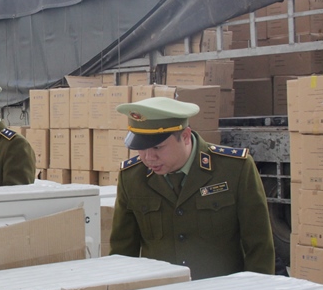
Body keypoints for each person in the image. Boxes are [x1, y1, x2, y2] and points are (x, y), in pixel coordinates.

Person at [110, 97, 274, 279]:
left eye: (157, 147)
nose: (149, 157)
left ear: (185, 136)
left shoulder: (234, 169)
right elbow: (122, 251)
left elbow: (259, 245)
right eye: (140, 148)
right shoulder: (132, 177)